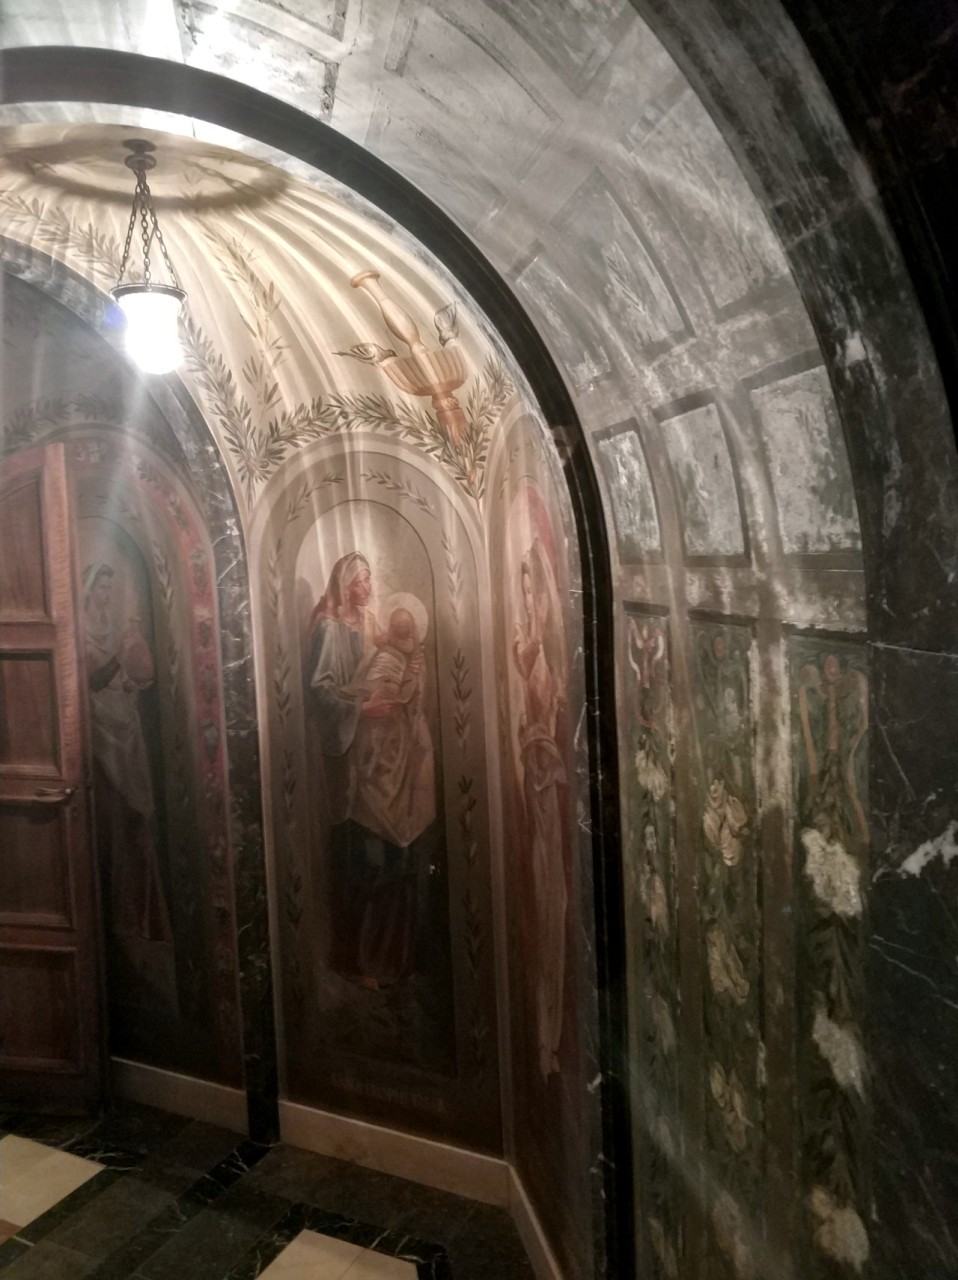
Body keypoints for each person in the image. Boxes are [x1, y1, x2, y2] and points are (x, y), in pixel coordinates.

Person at [83, 563, 173, 969]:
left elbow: (135, 673)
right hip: (101, 733)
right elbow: (93, 680)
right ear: (88, 590)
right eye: (101, 588)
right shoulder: (81, 629)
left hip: (125, 726)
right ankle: (115, 919)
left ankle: (141, 914)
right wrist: (121, 653)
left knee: (137, 819)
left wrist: (133, 678)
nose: (106, 595)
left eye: (109, 588)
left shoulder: (112, 626)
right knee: (113, 820)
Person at [512, 537, 569, 1078]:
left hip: (552, 794)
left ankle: (552, 1038)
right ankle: (542, 1033)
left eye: (536, 591)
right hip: (533, 794)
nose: (530, 601)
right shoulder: (523, 649)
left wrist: (540, 745)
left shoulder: (550, 656)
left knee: (554, 898)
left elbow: (556, 733)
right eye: (524, 591)